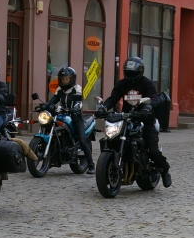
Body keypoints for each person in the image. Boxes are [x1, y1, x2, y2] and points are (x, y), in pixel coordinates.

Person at [96, 56, 171, 188]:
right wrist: (104, 108)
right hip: (126, 118)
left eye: (133, 72)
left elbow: (154, 98)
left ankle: (164, 170)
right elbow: (113, 98)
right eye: (128, 71)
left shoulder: (146, 83)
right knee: (112, 138)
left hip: (145, 120)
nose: (130, 74)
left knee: (152, 150)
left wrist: (148, 107)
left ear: (140, 71)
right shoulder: (122, 84)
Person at [46, 66, 95, 174]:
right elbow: (53, 100)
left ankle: (91, 165)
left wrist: (76, 108)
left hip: (76, 117)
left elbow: (79, 101)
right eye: (63, 79)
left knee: (82, 140)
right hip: (63, 115)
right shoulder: (59, 89)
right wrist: (46, 105)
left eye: (66, 79)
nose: (64, 81)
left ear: (72, 79)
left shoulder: (77, 88)